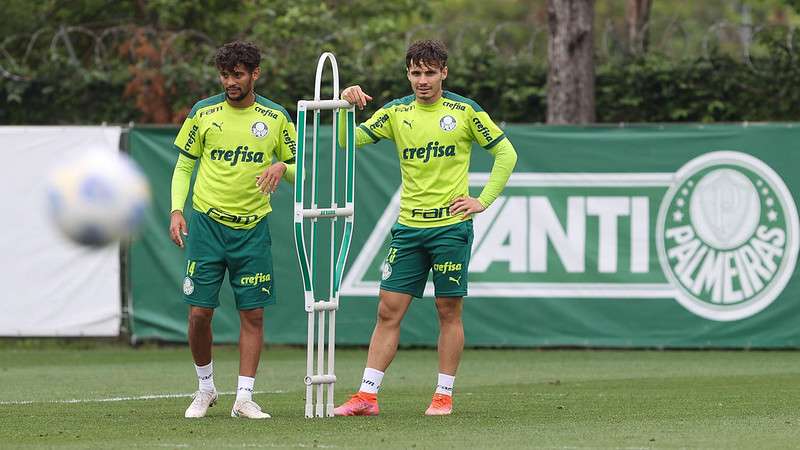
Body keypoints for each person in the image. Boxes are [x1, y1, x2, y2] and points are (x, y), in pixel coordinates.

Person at [333, 40, 517, 416]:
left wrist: (482, 200)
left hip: (451, 228)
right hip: (409, 228)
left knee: (448, 310)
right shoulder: (396, 112)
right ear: (408, 74)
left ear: (443, 73)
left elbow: (506, 153)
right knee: (388, 310)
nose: (422, 80)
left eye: (430, 72)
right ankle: (367, 397)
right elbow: (345, 141)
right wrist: (344, 106)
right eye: (415, 73)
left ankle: (443, 395)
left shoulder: (463, 111)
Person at [169, 41, 296, 419]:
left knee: (253, 315)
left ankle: (244, 398)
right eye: (225, 75)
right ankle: (205, 388)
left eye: (238, 74)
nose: (230, 82)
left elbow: (301, 166)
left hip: (252, 229)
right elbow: (184, 165)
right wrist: (177, 209)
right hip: (207, 226)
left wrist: (281, 168)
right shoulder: (203, 112)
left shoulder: (274, 117)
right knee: (198, 315)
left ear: (255, 73)